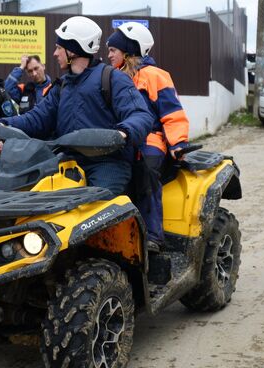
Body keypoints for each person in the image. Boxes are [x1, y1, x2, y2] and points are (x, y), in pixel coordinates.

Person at [0, 16, 154, 196]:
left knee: (99, 212)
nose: (55, 54)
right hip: (67, 162)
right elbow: (37, 119)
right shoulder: (62, 86)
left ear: (73, 49)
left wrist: (122, 133)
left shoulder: (113, 78)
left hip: (108, 164)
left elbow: (141, 115)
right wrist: (4, 125)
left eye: (59, 48)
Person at [106, 21, 189, 252]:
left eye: (113, 50)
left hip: (150, 140)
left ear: (129, 50)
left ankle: (153, 235)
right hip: (122, 140)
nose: (109, 55)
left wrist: (178, 143)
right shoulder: (112, 77)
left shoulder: (155, 76)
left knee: (146, 173)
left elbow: (172, 113)